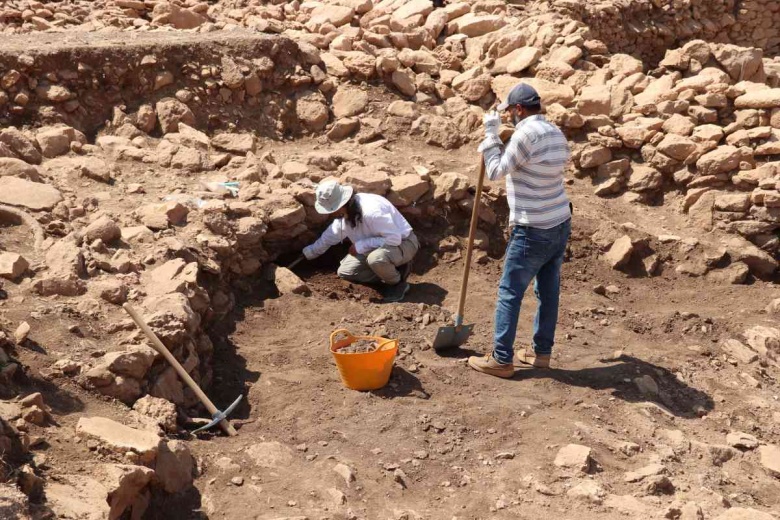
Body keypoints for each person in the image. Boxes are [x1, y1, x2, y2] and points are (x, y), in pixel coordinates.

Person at [468, 83, 572, 379]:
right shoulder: (555, 132)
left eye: (510, 112)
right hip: (559, 220)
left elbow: (495, 172)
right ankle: (542, 353)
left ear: (518, 110)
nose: (509, 118)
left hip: (533, 227)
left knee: (510, 291)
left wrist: (490, 135)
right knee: (548, 290)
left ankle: (502, 359)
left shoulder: (525, 134)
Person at [302, 180, 419, 303]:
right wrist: (308, 253)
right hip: (376, 247)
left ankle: (397, 284)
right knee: (346, 272)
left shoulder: (372, 212)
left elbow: (394, 239)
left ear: (342, 204)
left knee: (376, 259)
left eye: (332, 210)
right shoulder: (346, 213)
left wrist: (361, 245)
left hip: (404, 243)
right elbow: (330, 236)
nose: (330, 214)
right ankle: (390, 271)